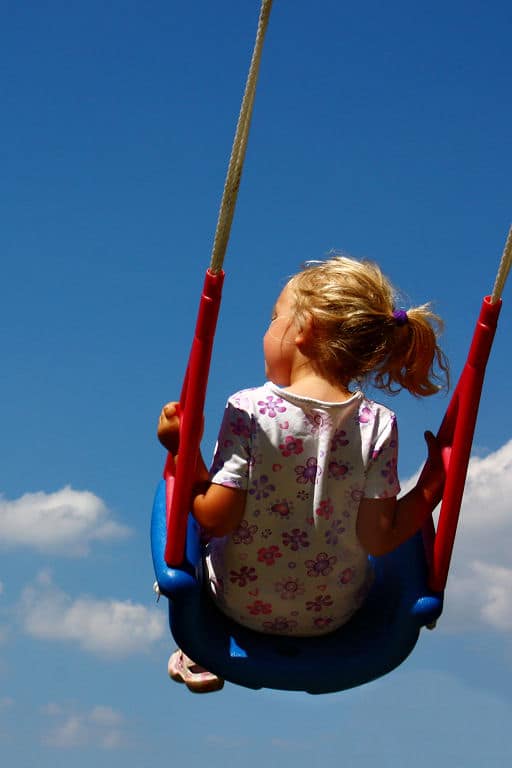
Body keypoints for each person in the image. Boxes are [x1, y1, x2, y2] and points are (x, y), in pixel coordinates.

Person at [158, 255, 449, 693]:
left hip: (234, 606)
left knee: (173, 498)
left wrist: (183, 449)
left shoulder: (250, 410)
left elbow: (213, 517)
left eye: (274, 319)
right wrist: (432, 486)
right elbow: (379, 538)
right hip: (333, 616)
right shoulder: (378, 423)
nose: (266, 332)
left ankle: (200, 651)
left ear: (304, 328)